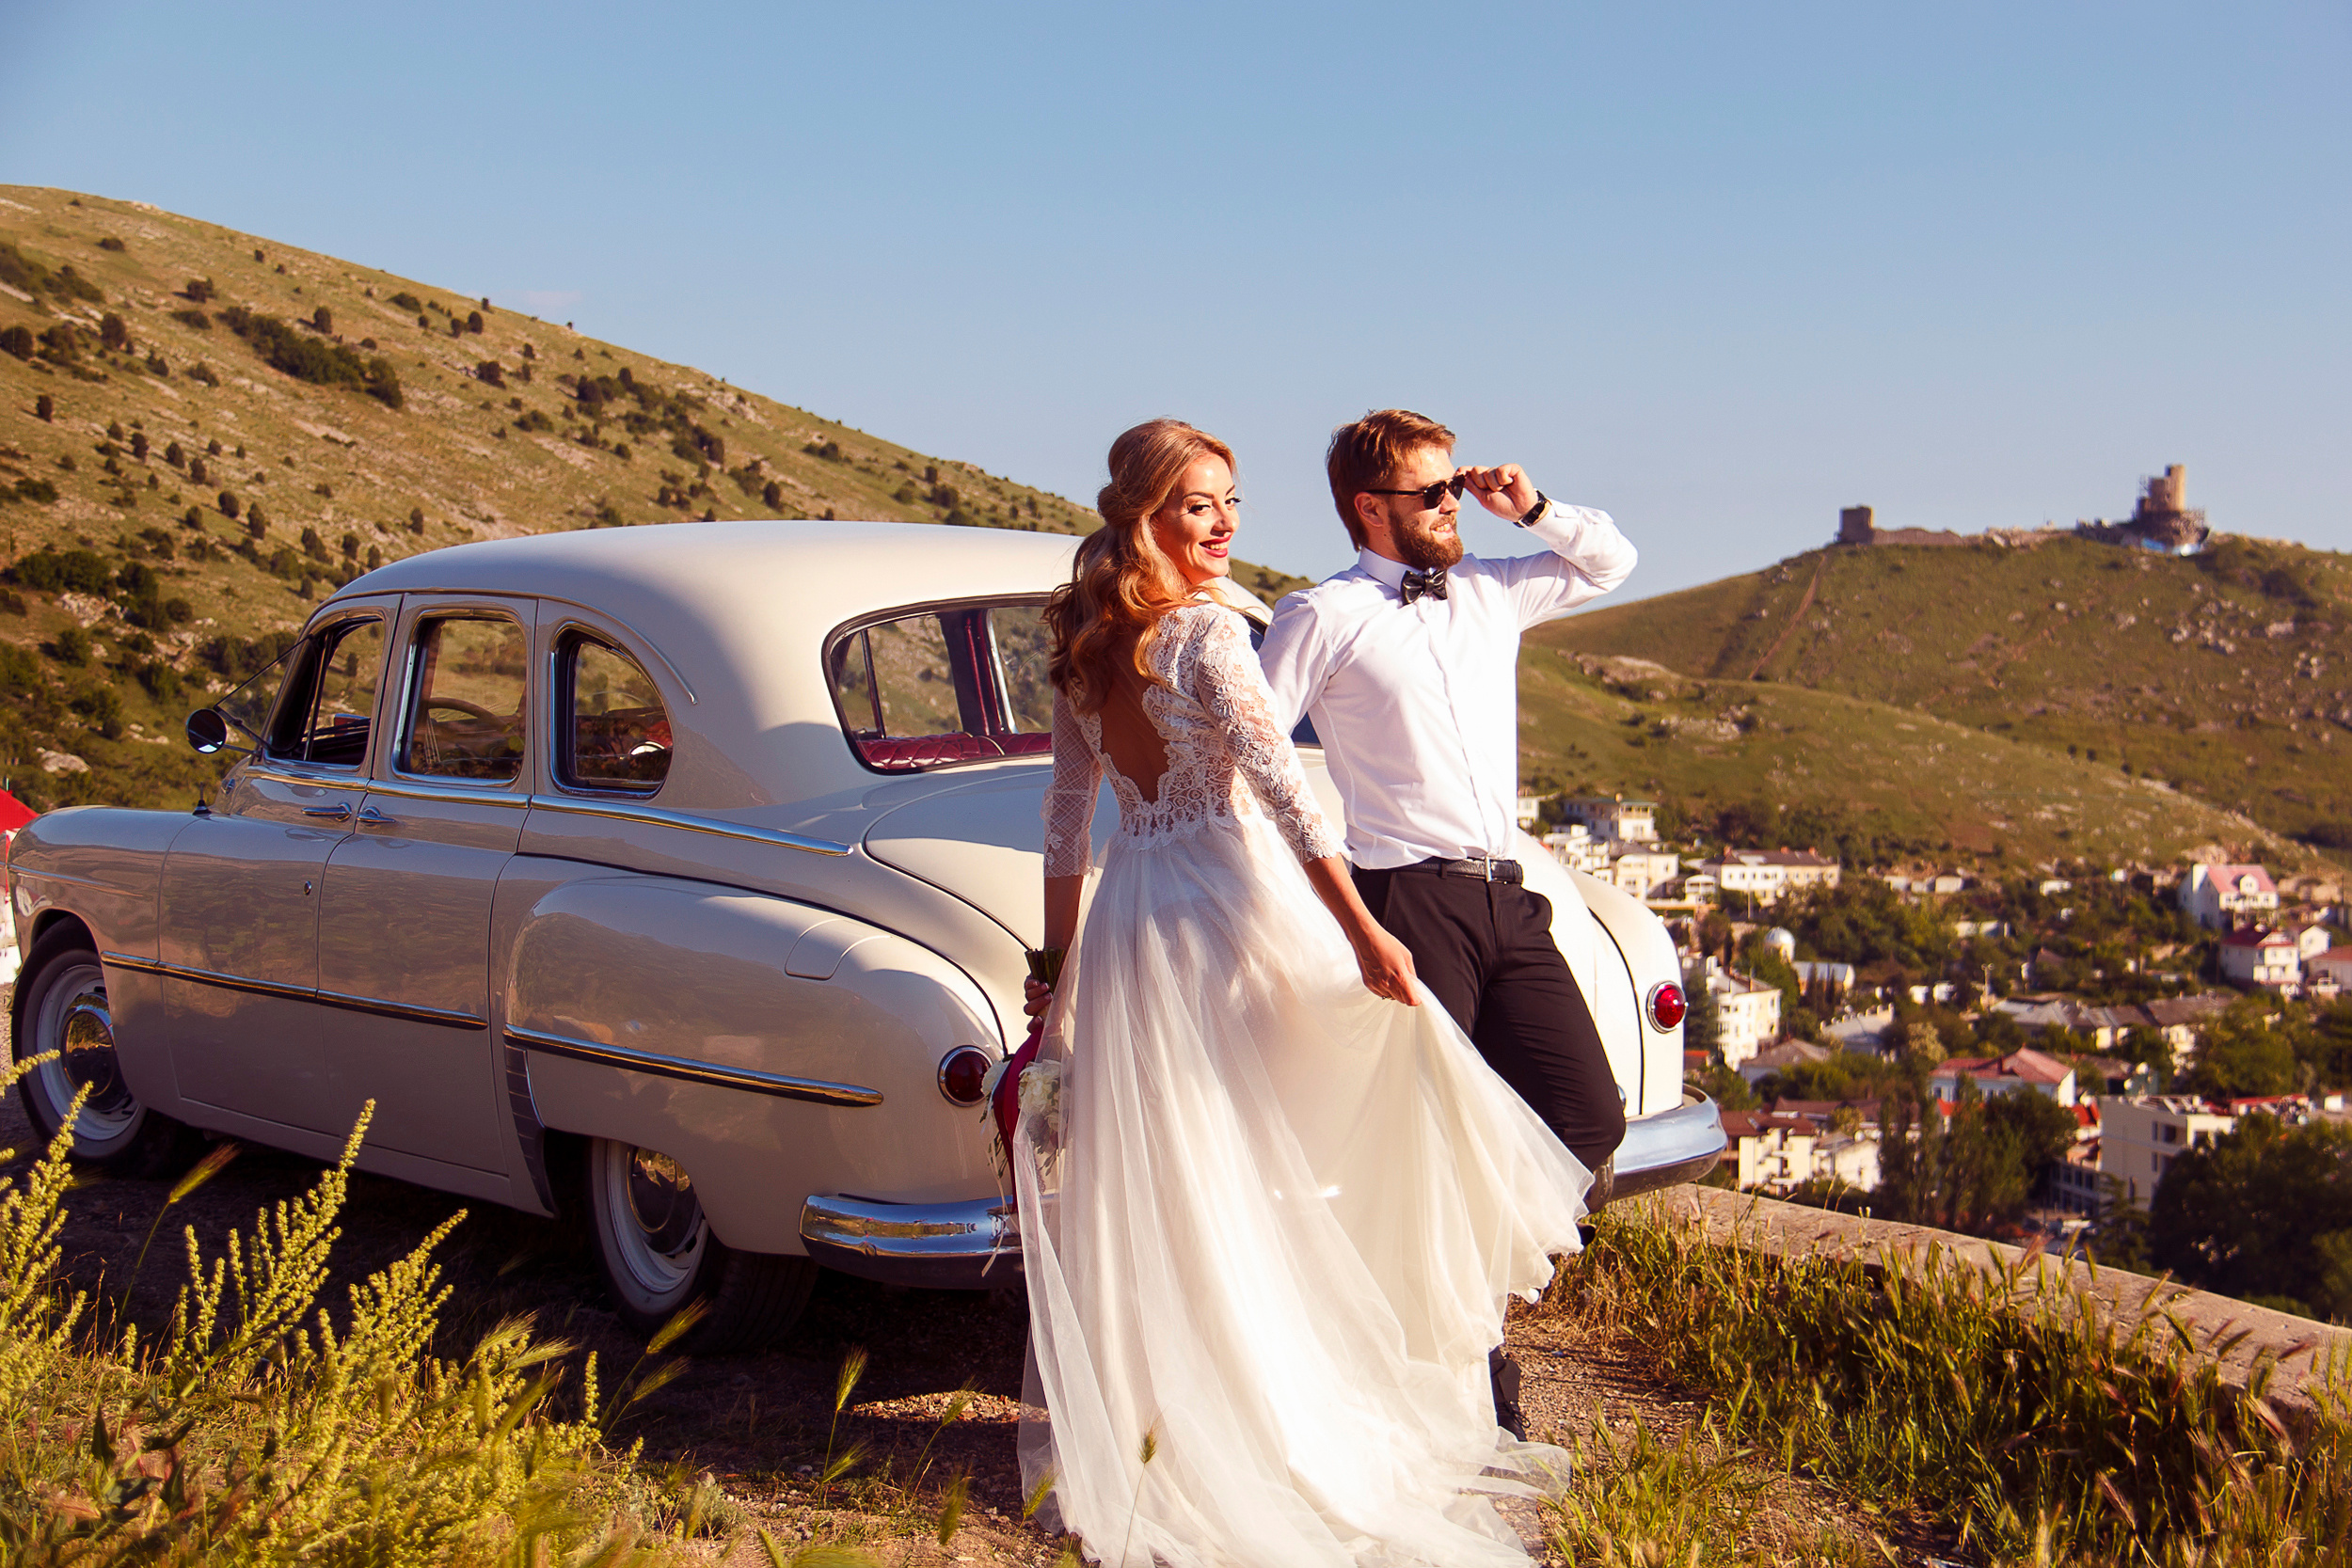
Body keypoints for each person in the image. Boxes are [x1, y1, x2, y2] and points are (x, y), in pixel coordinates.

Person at [1012, 419, 1593, 1567]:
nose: (1225, 524)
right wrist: (1367, 931)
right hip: (1230, 910)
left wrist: (1057, 978)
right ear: (1147, 516)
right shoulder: (1206, 638)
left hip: (1134, 924)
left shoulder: (1086, 646)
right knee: (1319, 1146)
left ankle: (1177, 1428)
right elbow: (1286, 800)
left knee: (1183, 1179)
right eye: (1198, 506)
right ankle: (1328, 1404)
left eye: (1230, 501)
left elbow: (1068, 825)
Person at [1258, 408, 1639, 1194]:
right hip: (1409, 897)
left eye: (1452, 485)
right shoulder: (1320, 615)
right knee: (1419, 1130)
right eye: (1430, 490)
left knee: (1590, 1116)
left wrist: (1531, 509)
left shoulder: (1491, 588)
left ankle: (1489, 1261)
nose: (1450, 502)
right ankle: (1437, 1305)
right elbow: (1257, 762)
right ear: (1371, 506)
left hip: (1510, 897)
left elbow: (1612, 562)